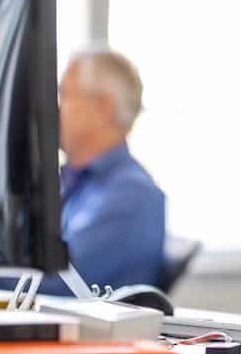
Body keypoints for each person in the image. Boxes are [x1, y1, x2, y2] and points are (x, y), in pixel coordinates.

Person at [55, 47, 166, 291]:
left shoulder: (133, 196)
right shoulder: (71, 182)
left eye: (64, 95)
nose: (54, 108)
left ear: (103, 108)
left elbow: (60, 282)